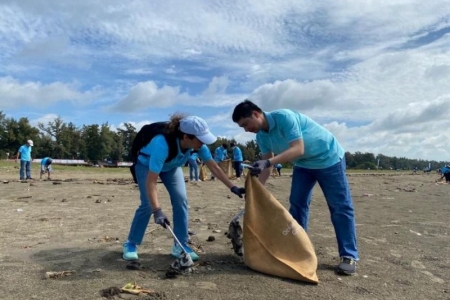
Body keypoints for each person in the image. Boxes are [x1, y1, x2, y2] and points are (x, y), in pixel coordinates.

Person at [232, 100, 359, 275]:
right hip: (303, 165)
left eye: (246, 124)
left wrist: (267, 161)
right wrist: (254, 189)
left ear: (256, 114)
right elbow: (266, 167)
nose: (246, 130)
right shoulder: (261, 136)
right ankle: (298, 248)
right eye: (242, 128)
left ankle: (348, 255)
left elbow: (298, 149)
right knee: (297, 205)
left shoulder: (284, 117)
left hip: (328, 159)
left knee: (340, 207)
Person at [123, 114, 245, 262]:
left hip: (171, 167)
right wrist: (157, 210)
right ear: (186, 137)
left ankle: (180, 244)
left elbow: (214, 167)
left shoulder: (199, 145)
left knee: (181, 200)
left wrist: (233, 187)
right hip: (146, 164)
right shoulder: (161, 144)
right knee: (148, 205)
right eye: (200, 139)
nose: (203, 143)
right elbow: (151, 182)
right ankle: (131, 243)